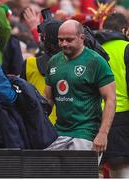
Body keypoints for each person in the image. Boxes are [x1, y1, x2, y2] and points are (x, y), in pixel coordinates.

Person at [44, 19, 116, 159]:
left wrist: (102, 134)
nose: (64, 44)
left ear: (82, 38)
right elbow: (48, 99)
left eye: (69, 40)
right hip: (59, 133)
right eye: (61, 40)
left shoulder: (95, 61)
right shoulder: (53, 62)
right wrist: (39, 125)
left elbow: (110, 99)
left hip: (86, 134)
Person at [95, 13, 129, 178]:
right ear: (124, 30)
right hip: (123, 118)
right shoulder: (126, 48)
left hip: (96, 117)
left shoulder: (92, 49)